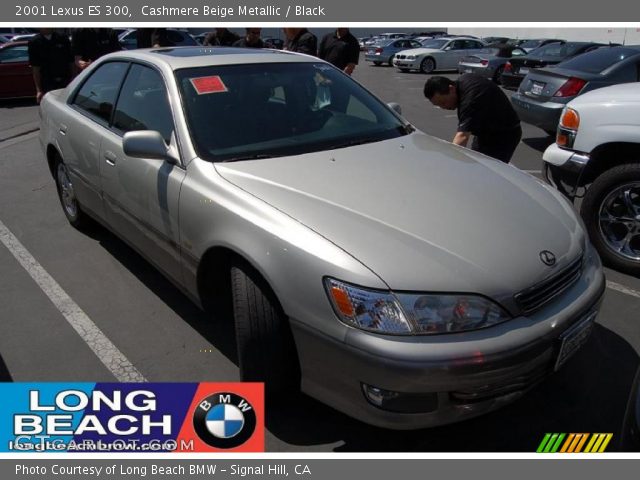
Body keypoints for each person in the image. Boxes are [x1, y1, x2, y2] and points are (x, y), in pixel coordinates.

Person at [423, 74, 522, 163]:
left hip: (504, 134)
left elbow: (462, 137)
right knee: (474, 162)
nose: (443, 107)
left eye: (443, 102)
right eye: (439, 105)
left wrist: (449, 164)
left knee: (489, 171)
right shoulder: (462, 82)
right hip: (485, 133)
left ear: (451, 89)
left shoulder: (470, 100)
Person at [28, 29, 74, 103]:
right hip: (47, 82)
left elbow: (71, 61)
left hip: (65, 79)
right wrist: (39, 90)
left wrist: (74, 78)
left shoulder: (62, 38)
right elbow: (35, 67)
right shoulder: (34, 42)